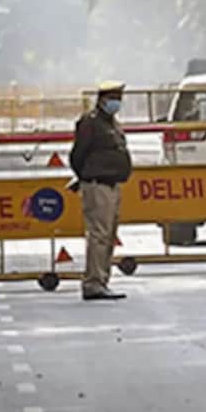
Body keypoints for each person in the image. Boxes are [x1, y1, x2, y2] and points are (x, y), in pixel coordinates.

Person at [69, 81, 132, 301]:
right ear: (103, 99)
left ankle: (102, 280)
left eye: (119, 98)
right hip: (97, 185)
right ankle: (93, 282)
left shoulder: (112, 123)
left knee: (109, 235)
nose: (117, 102)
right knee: (99, 235)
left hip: (112, 185)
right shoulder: (91, 123)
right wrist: (86, 176)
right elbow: (77, 155)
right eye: (114, 98)